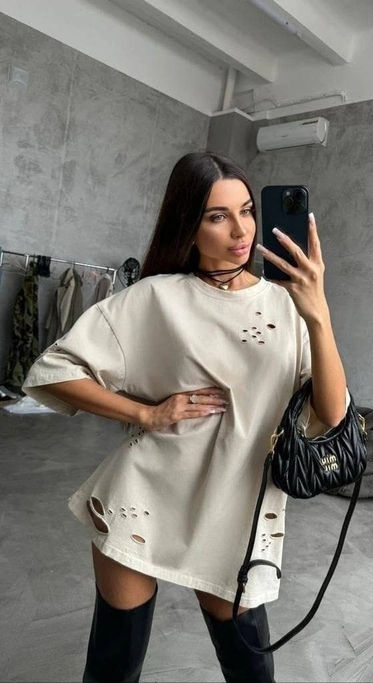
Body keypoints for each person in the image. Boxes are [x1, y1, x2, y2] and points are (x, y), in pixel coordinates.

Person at [22, 151, 350, 683]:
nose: (240, 231)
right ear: (188, 225)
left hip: (236, 512)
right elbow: (53, 371)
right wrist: (145, 413)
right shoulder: (155, 297)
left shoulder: (289, 305)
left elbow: (332, 413)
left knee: (251, 670)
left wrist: (318, 312)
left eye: (246, 211)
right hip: (143, 498)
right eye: (218, 216)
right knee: (112, 670)